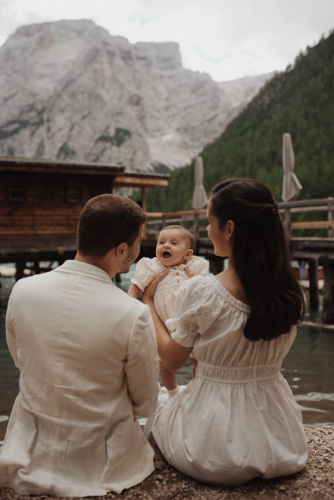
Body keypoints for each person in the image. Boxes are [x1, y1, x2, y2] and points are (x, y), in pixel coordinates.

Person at [142, 178, 308, 486]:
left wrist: (148, 303)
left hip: (212, 447)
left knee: (160, 405)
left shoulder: (204, 292)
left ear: (229, 228)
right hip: (282, 442)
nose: (206, 230)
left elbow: (172, 360)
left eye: (209, 222)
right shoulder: (291, 292)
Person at [0, 194, 160, 497]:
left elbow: (21, 359)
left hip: (27, 450)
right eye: (139, 242)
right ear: (122, 249)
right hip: (100, 461)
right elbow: (145, 402)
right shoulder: (133, 313)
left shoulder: (23, 290)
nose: (140, 251)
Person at [128, 225, 209, 390]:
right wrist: (126, 308)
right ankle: (173, 393)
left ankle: (195, 390)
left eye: (174, 243)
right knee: (164, 365)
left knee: (198, 360)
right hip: (163, 325)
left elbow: (207, 291)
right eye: (161, 242)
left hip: (190, 322)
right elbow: (135, 288)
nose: (166, 246)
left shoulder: (194, 267)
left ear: (187, 254)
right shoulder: (152, 267)